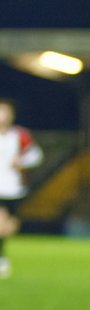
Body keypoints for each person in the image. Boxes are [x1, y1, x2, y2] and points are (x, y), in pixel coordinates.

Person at [0, 99, 44, 280]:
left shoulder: (20, 135)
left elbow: (36, 155)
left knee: (9, 227)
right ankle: (2, 259)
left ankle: (2, 254)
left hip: (15, 188)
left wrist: (22, 162)